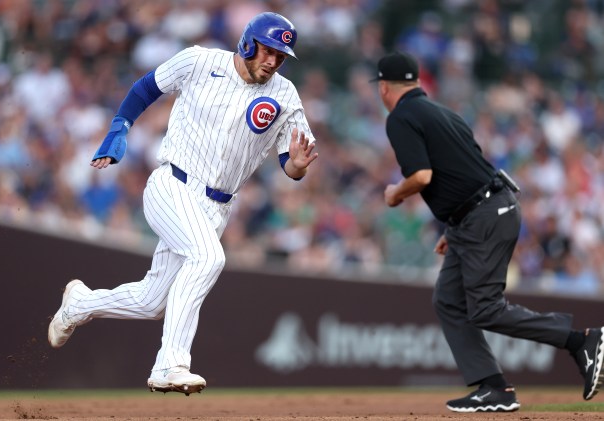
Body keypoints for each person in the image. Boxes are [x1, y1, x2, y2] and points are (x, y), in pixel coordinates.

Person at [47, 12, 318, 395]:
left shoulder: (284, 94)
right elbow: (145, 88)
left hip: (217, 208)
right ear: (247, 42)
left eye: (281, 56)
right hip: (172, 184)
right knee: (208, 259)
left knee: (151, 301)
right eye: (268, 50)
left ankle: (79, 305)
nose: (273, 61)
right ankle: (170, 365)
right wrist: (119, 127)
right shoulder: (200, 61)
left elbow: (289, 164)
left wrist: (297, 166)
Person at [371, 50, 604, 413]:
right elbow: (467, 168)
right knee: (448, 300)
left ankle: (581, 341)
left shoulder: (401, 117)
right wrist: (455, 223)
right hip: (482, 211)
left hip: (484, 213)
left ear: (383, 87)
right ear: (416, 82)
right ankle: (494, 387)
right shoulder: (444, 113)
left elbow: (422, 176)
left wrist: (394, 194)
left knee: (484, 308)